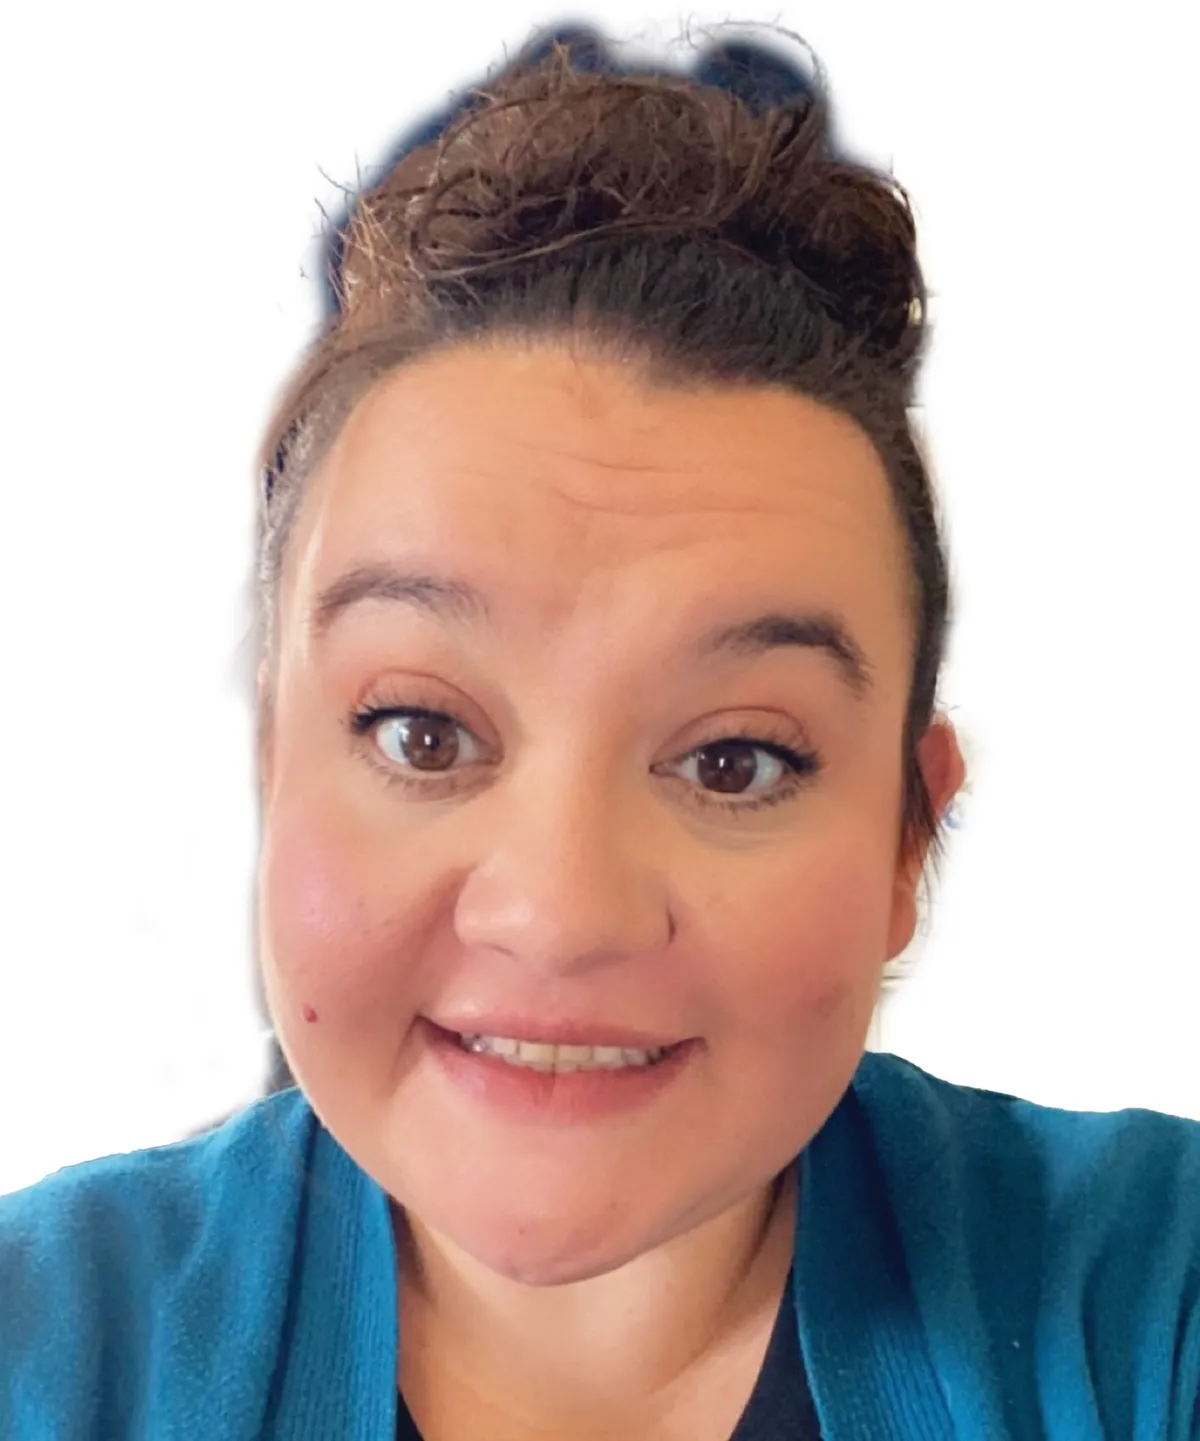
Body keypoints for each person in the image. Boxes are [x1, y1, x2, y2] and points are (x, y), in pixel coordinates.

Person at [2, 22, 1197, 1441]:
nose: (560, 915)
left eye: (735, 760)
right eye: (420, 734)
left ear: (907, 836)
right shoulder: (47, 1348)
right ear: (277, 767)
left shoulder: (1146, 1303)